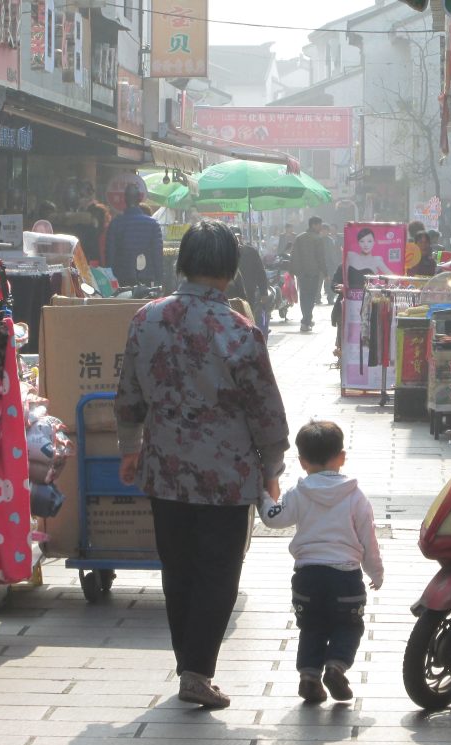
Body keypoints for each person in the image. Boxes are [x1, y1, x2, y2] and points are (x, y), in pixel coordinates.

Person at [115, 220, 290, 709]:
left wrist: (130, 446)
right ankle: (196, 671)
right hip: (226, 476)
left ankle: (189, 666)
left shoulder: (146, 319)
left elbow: (128, 392)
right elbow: (265, 410)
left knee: (178, 570)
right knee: (218, 573)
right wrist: (272, 467)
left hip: (165, 468)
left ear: (183, 264)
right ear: (230, 271)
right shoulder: (240, 331)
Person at [259, 420, 384, 703]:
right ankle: (336, 666)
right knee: (349, 625)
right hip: (345, 576)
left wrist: (264, 495)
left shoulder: (298, 493)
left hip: (308, 576)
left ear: (302, 461)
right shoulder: (356, 497)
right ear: (341, 457)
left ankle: (309, 678)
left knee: (312, 626)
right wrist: (375, 572)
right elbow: (368, 539)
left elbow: (273, 518)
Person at [105, 184, 163, 288]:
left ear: (125, 199)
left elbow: (110, 255)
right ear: (139, 199)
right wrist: (159, 279)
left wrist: (111, 279)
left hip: (122, 277)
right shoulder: (153, 224)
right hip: (146, 277)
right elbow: (157, 255)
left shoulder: (115, 223)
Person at [290, 216, 327, 332]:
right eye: (319, 225)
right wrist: (325, 273)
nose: (321, 227)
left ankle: (306, 320)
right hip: (313, 273)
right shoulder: (318, 239)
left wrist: (293, 271)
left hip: (301, 274)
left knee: (304, 297)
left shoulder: (299, 238)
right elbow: (321, 258)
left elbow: (293, 256)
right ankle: (306, 320)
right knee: (311, 297)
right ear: (313, 225)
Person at [320, 223, 340, 304]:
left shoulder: (330, 240)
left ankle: (330, 298)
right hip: (319, 264)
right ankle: (317, 298)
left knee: (330, 282)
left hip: (329, 264)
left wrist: (335, 263)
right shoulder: (317, 240)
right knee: (318, 283)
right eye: (322, 230)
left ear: (328, 231)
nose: (324, 232)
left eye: (326, 230)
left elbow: (333, 253)